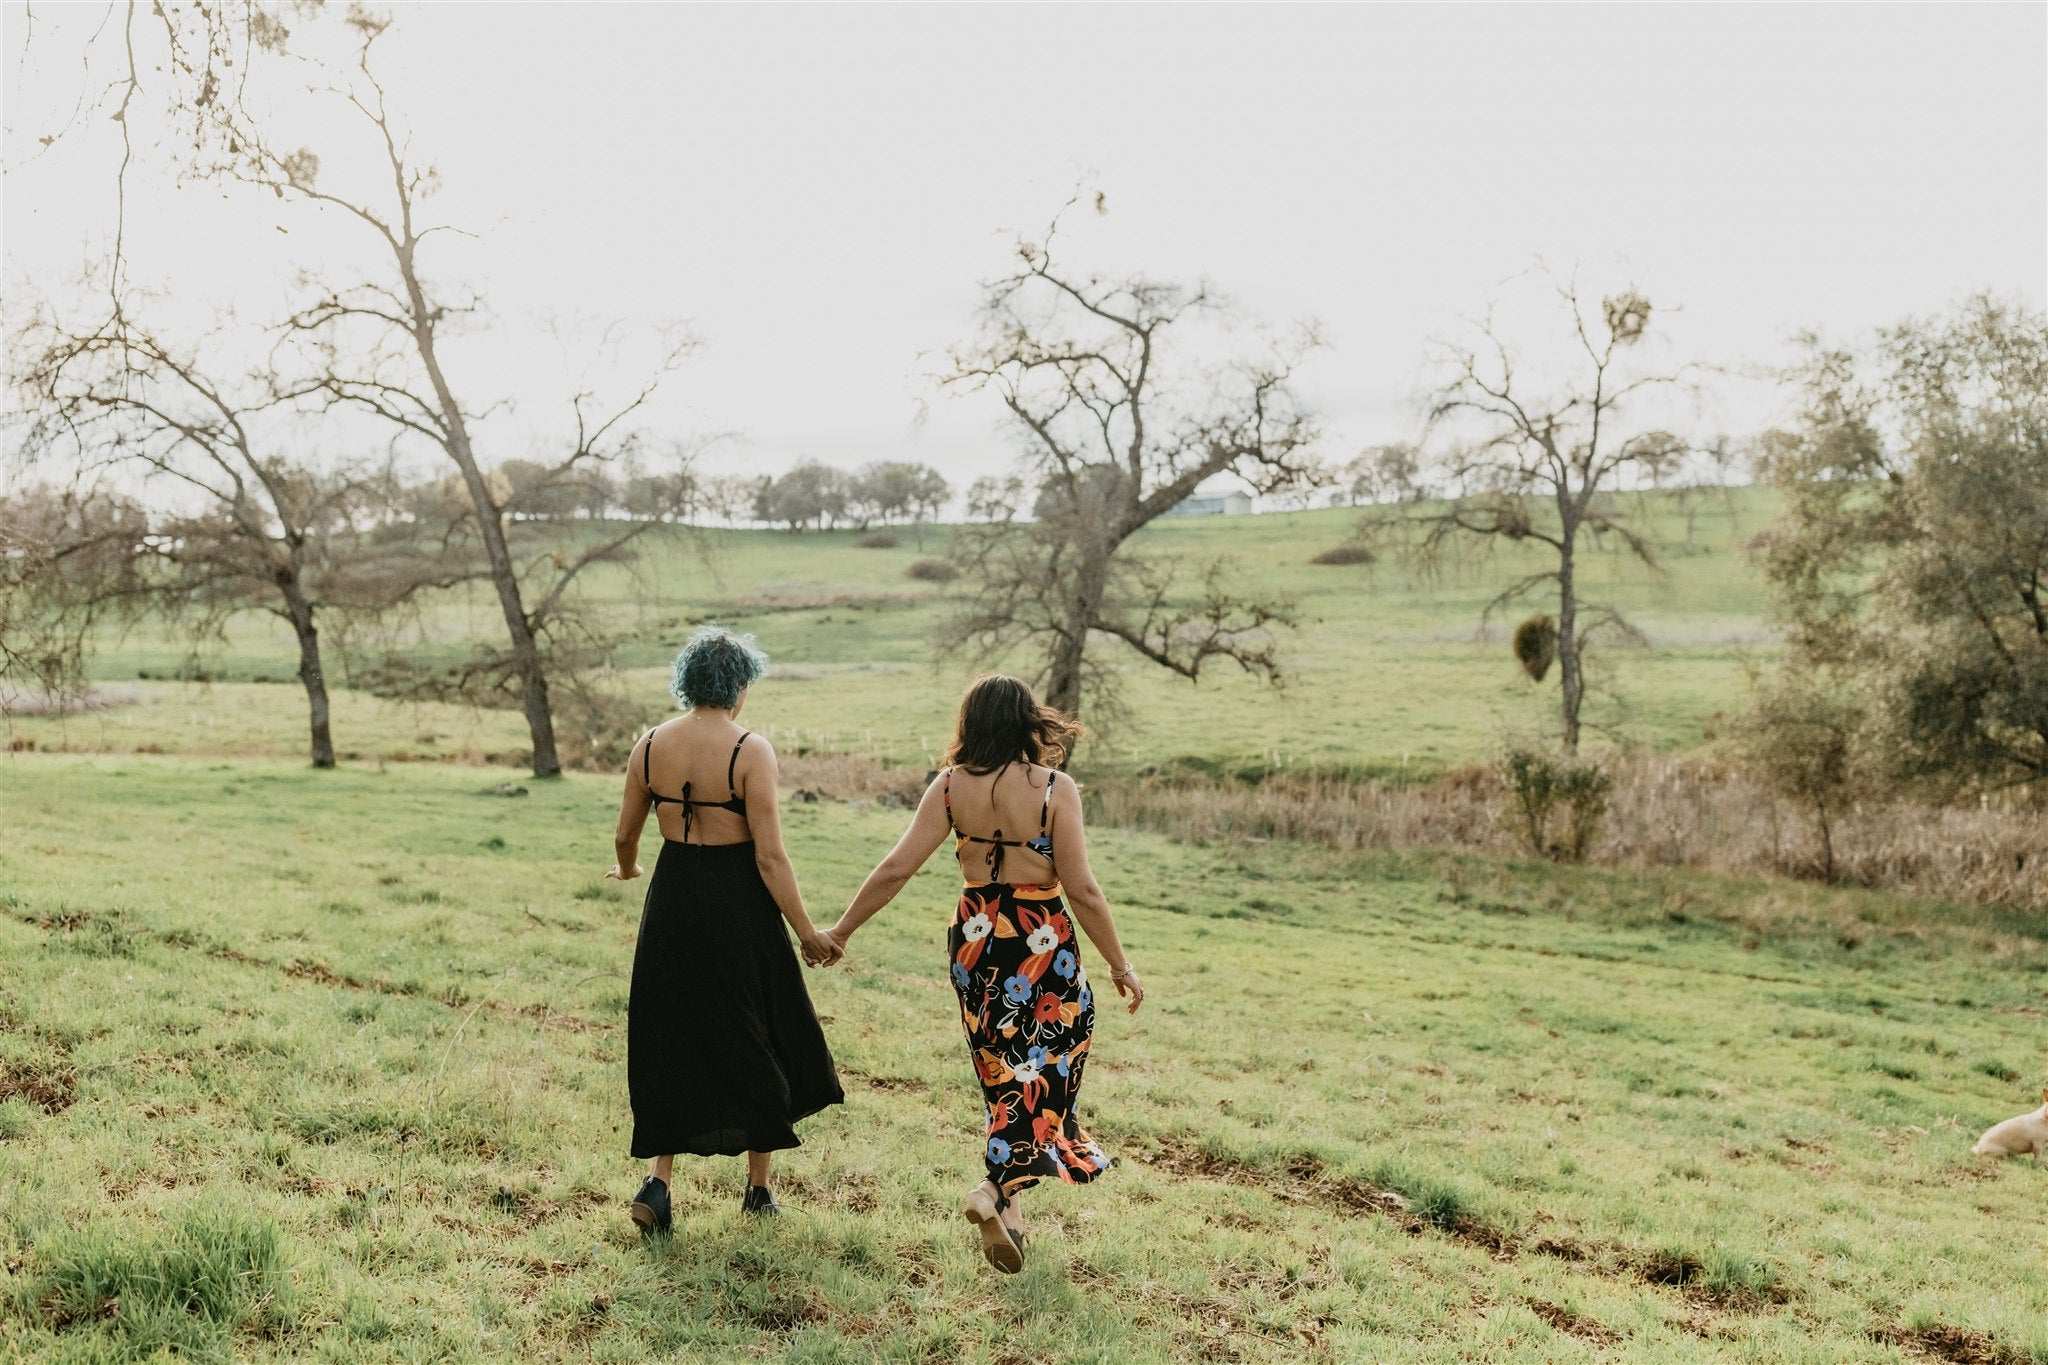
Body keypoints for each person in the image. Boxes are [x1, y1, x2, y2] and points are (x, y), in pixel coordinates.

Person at [826, 674, 1144, 1273]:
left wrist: (842, 931)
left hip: (975, 937)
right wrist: (1119, 963)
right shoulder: (1053, 789)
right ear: (1026, 722)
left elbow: (896, 868)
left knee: (1002, 1068)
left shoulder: (950, 786)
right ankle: (993, 1189)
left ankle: (1011, 1216)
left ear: (970, 723)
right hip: (1040, 937)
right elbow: (1082, 888)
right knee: (1056, 1052)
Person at [606, 626, 844, 1234]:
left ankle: (658, 1182)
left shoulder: (649, 744)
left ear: (687, 682)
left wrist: (629, 869)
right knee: (758, 1026)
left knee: (670, 1031)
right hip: (739, 902)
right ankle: (758, 1190)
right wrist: (806, 931)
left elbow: (626, 834)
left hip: (672, 898)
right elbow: (771, 857)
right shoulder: (750, 749)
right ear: (739, 686)